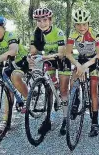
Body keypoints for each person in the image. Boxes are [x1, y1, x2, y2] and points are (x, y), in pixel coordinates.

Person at [29, 7, 71, 135]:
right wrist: (30, 58)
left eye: (45, 20)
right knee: (49, 91)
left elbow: (61, 53)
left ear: (50, 20)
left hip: (61, 60)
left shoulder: (58, 32)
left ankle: (65, 119)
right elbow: (32, 52)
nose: (42, 23)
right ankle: (47, 120)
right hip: (48, 60)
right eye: (39, 21)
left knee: (63, 90)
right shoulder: (36, 34)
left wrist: (43, 56)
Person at [66, 8, 99, 137]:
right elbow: (68, 53)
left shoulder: (95, 34)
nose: (81, 27)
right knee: (73, 78)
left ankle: (95, 122)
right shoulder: (72, 35)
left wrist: (86, 66)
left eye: (84, 24)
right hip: (80, 60)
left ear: (88, 23)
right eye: (78, 24)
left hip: (92, 61)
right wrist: (77, 65)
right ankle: (75, 102)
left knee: (93, 92)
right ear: (75, 25)